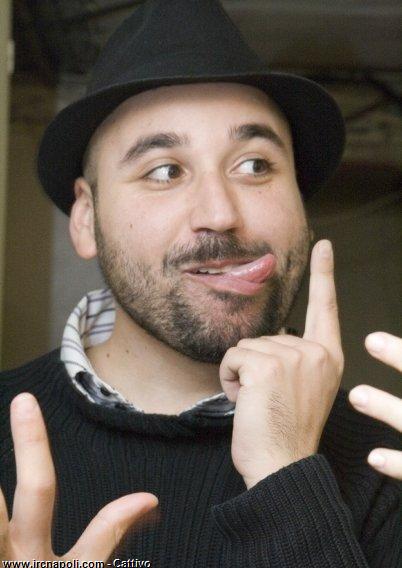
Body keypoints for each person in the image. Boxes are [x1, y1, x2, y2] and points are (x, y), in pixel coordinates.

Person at [0, 0, 400, 565]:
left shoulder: (386, 463)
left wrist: (287, 478)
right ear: (86, 218)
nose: (220, 213)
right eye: (165, 171)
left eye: (255, 165)